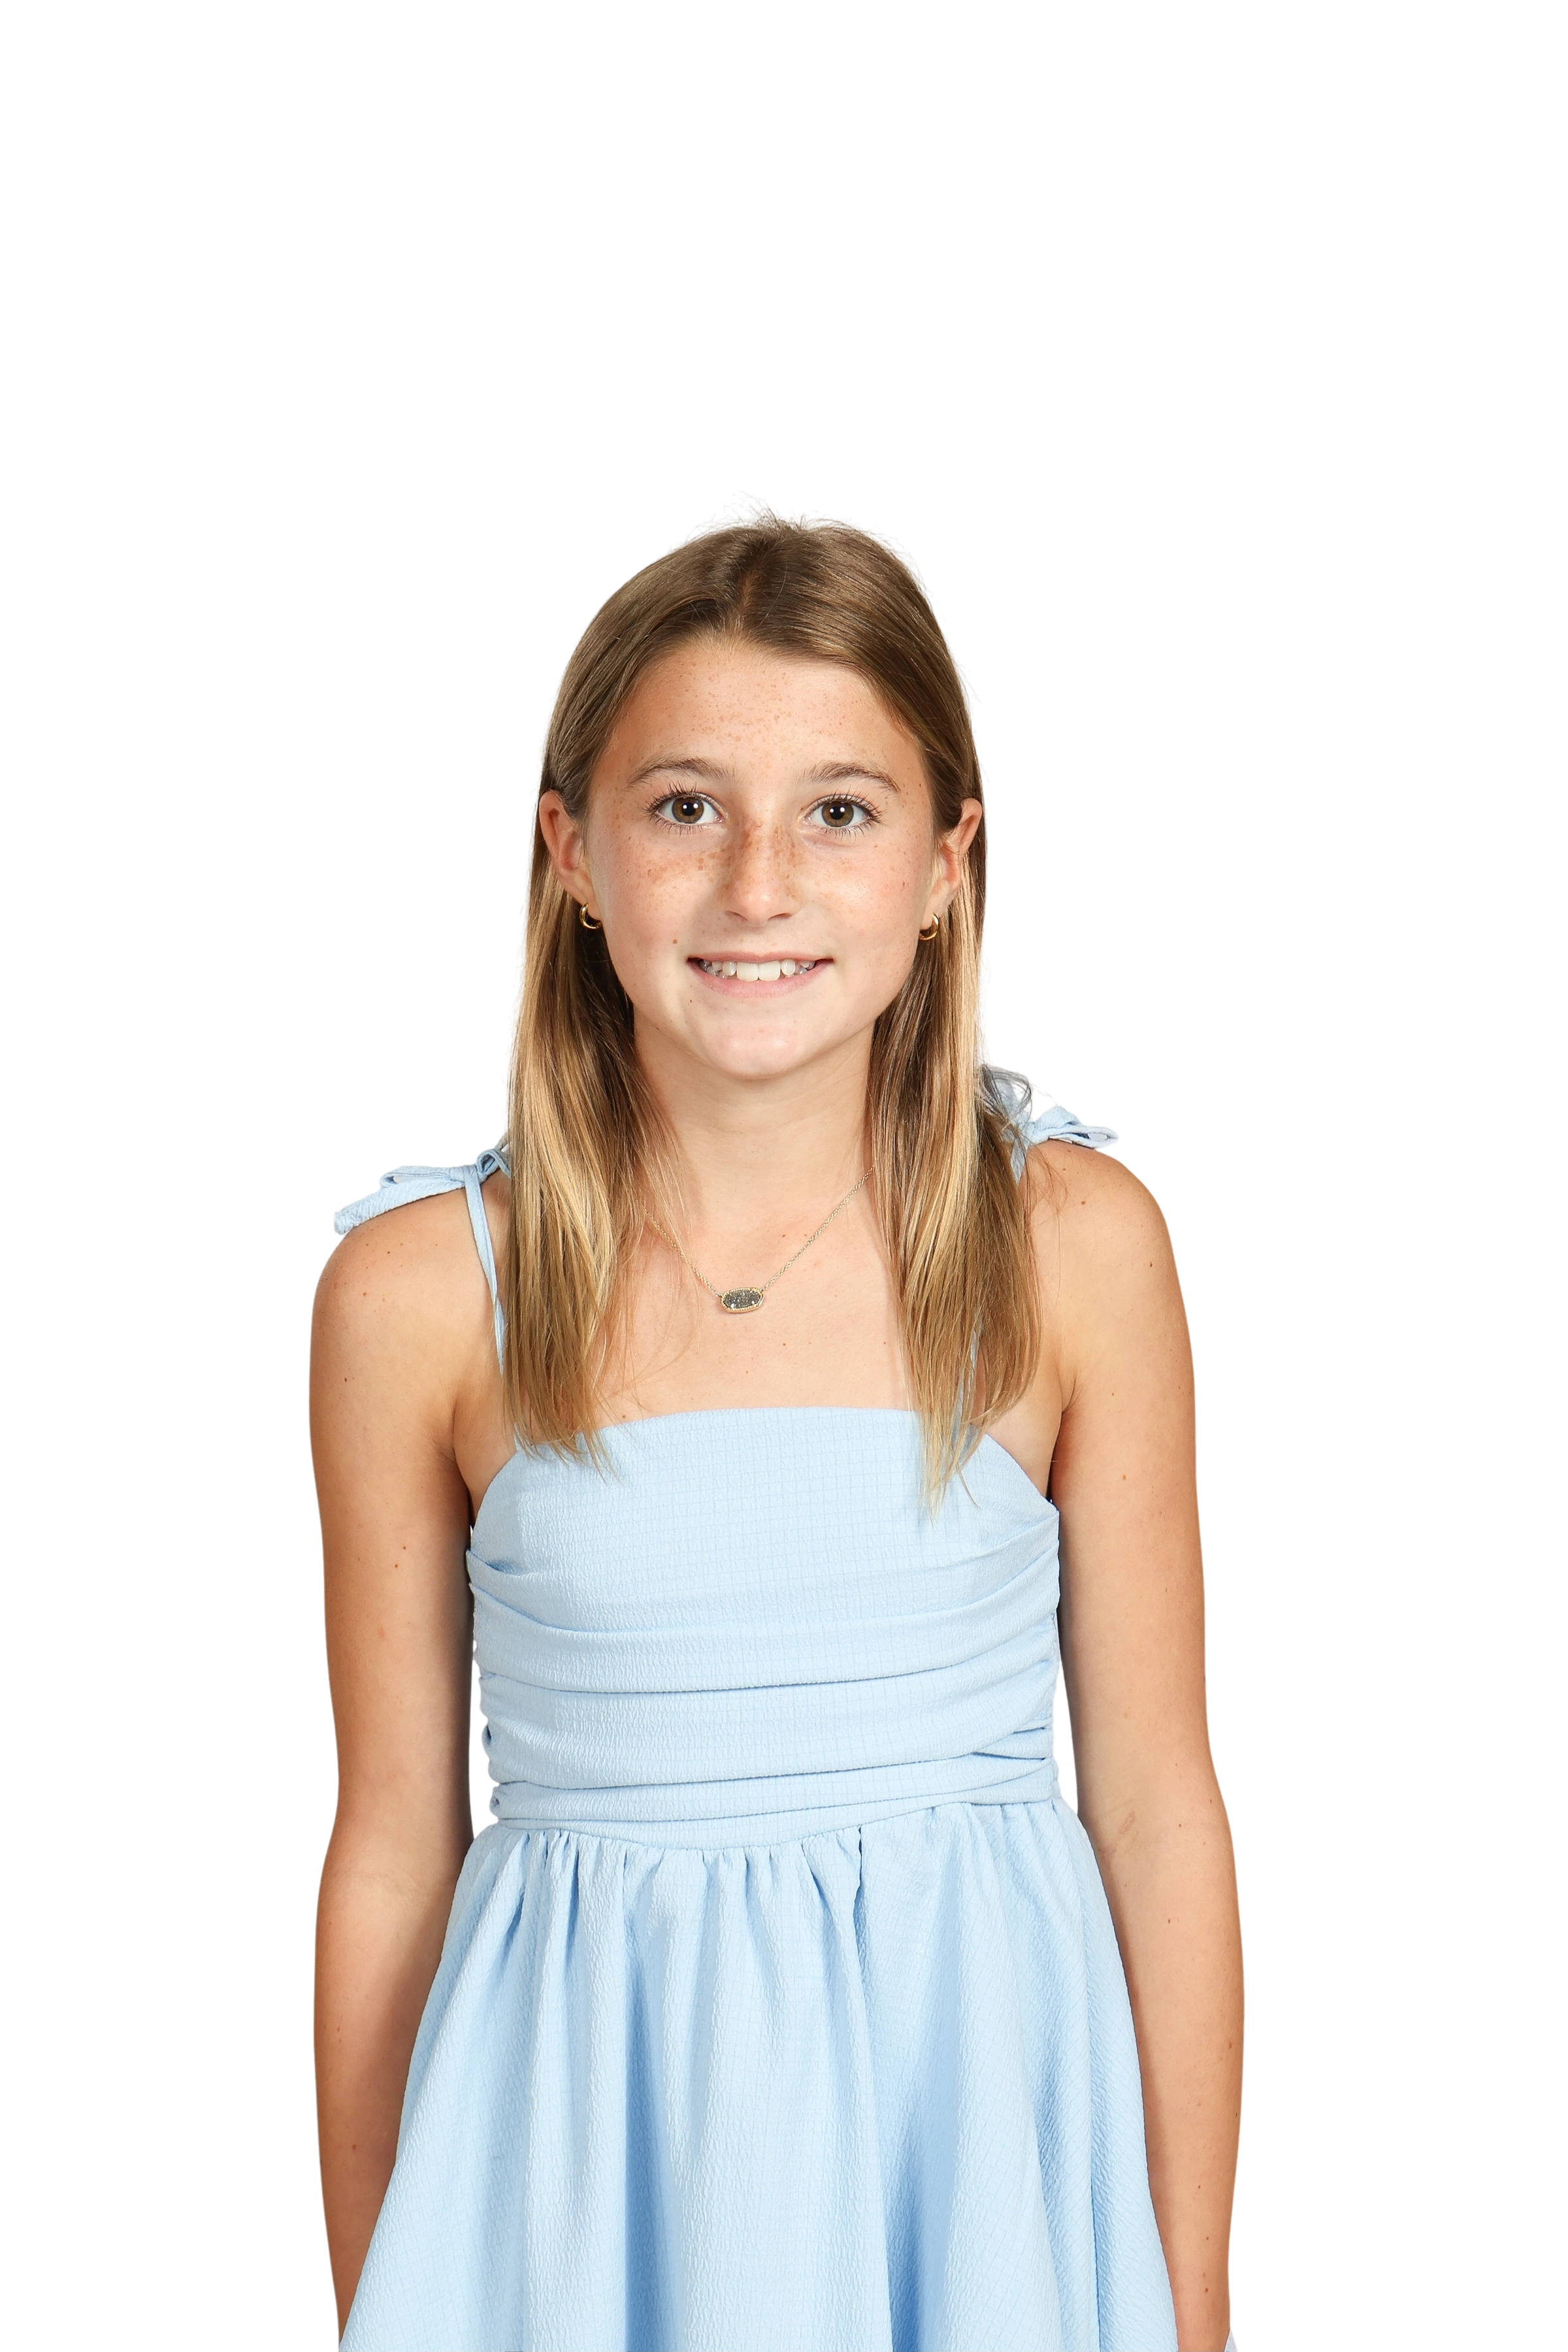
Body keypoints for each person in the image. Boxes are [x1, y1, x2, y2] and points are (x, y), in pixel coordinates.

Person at [308, 497, 1244, 2352]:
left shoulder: (1071, 1247)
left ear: (949, 859)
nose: (758, 886)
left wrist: (1193, 2313)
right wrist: (374, 2301)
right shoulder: (421, 1294)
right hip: (583, 2173)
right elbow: (394, 1848)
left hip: (967, 2166)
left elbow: (1157, 1812)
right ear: (572, 853)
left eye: (840, 810)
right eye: (685, 806)